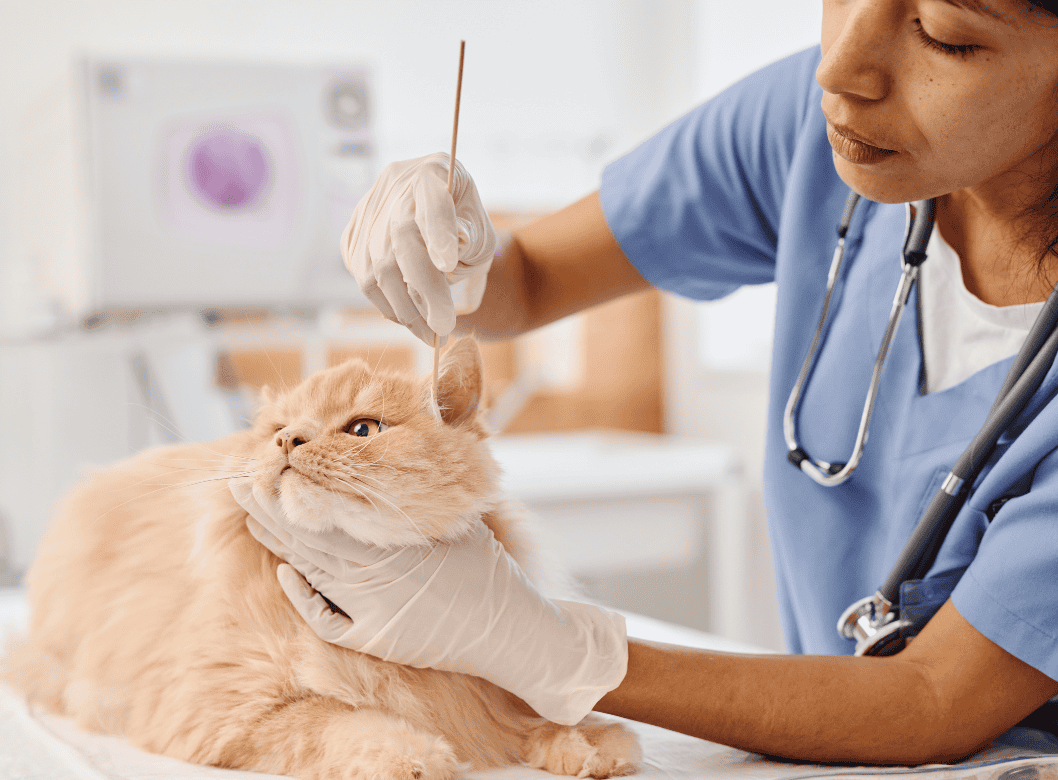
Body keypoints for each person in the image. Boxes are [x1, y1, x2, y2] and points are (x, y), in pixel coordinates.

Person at [232, 0, 1058, 765]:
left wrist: (555, 648)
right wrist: (456, 246)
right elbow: (528, 280)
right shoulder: (813, 128)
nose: (840, 70)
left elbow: (933, 697)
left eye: (947, 34)